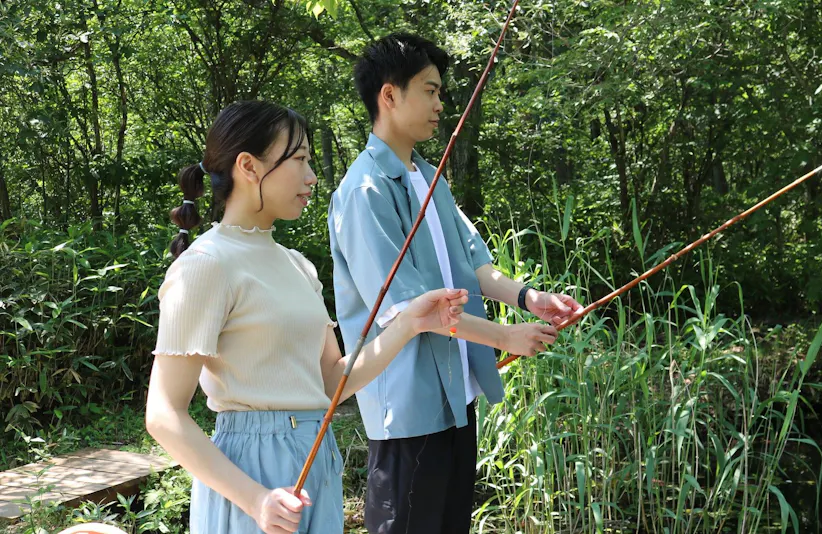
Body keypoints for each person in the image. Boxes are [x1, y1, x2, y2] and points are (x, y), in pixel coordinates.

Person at [145, 100, 469, 534]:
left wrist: (410, 323)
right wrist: (255, 499)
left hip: (317, 461)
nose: (312, 176)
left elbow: (331, 382)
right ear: (249, 166)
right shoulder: (206, 264)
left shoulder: (297, 264)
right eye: (298, 159)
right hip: (250, 477)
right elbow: (164, 413)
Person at [328, 33, 584, 533]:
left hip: (456, 397)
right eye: (430, 91)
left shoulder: (430, 176)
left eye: (440, 93)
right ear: (389, 95)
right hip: (408, 409)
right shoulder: (364, 191)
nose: (440, 104)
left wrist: (530, 299)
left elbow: (475, 264)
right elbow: (412, 312)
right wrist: (504, 337)